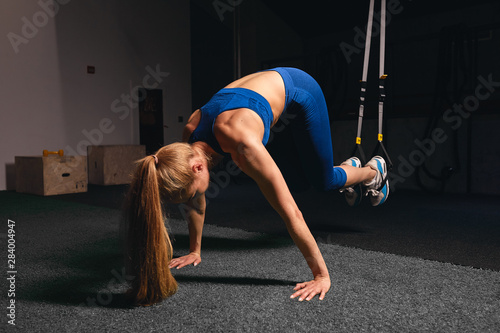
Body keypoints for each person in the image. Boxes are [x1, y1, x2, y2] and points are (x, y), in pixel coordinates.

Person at [124, 67, 389, 306]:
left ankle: (371, 172)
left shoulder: (244, 146)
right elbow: (196, 202)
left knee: (323, 181)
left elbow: (292, 214)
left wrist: (321, 276)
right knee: (303, 177)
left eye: (192, 192)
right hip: (262, 91)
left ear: (198, 168)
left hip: (301, 90)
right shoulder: (187, 141)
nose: (194, 197)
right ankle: (350, 168)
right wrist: (195, 251)